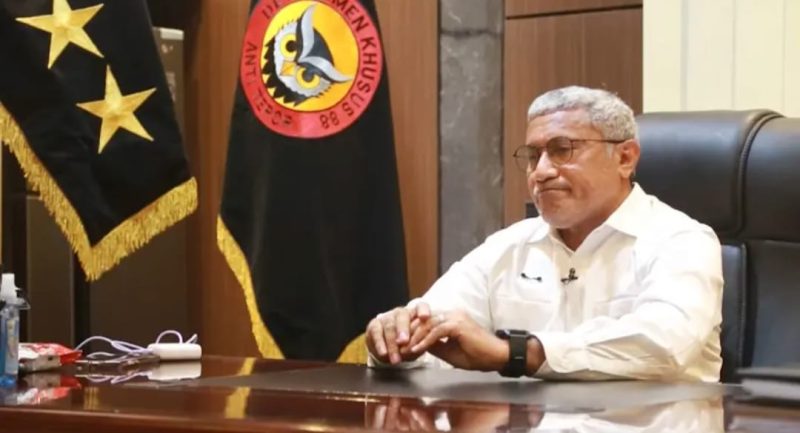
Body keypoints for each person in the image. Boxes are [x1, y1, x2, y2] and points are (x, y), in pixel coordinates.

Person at [365, 86, 723, 382]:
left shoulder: (681, 240)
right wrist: (397, 341)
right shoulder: (509, 246)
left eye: (562, 150)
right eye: (533, 156)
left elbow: (664, 345)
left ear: (625, 158)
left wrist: (517, 353)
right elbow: (436, 332)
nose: (541, 172)